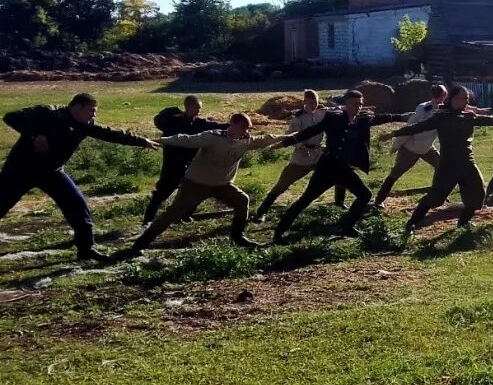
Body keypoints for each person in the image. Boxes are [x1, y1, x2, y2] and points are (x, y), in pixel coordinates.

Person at [0, 93, 160, 262]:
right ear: (77, 107)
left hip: (52, 172)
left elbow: (109, 133)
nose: (94, 114)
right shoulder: (47, 112)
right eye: (91, 110)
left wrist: (142, 141)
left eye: (95, 111)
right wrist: (36, 134)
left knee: (77, 204)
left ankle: (86, 249)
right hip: (21, 170)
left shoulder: (85, 124)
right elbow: (10, 117)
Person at [128, 113, 288, 254]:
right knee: (172, 213)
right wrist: (159, 140)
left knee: (242, 200)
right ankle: (140, 245)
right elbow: (186, 140)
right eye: (243, 127)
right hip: (196, 184)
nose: (246, 132)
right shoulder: (213, 137)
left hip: (222, 185)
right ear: (232, 124)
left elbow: (269, 138)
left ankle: (237, 237)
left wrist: (296, 137)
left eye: (248, 129)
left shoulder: (246, 142)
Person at [272, 90, 407, 242]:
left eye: (360, 104)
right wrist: (286, 142)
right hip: (327, 167)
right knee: (305, 200)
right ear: (346, 104)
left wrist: (403, 117)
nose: (357, 107)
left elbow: (382, 118)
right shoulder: (334, 118)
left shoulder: (363, 119)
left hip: (344, 169)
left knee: (365, 195)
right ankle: (278, 233)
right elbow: (312, 131)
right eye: (354, 104)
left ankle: (347, 227)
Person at [393, 86, 493, 232]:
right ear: (453, 99)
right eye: (464, 98)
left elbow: (488, 120)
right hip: (448, 165)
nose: (467, 101)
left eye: (468, 98)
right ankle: (411, 223)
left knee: (478, 193)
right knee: (435, 198)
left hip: (467, 162)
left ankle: (463, 223)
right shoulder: (441, 116)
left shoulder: (468, 115)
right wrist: (396, 133)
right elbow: (419, 127)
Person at [143, 96, 228, 226]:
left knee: (196, 191)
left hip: (191, 164)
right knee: (162, 193)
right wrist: (174, 110)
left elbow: (218, 127)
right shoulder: (172, 121)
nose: (199, 110)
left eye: (200, 107)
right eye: (197, 107)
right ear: (188, 107)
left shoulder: (200, 123)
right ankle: (148, 220)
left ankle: (184, 215)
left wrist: (235, 126)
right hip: (172, 164)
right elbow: (158, 119)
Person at [253, 90, 327, 222]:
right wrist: (301, 147)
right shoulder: (298, 118)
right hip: (302, 158)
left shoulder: (322, 114)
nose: (313, 105)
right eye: (310, 102)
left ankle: (339, 203)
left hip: (319, 154)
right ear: (304, 102)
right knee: (282, 185)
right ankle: (261, 212)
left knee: (339, 172)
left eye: (315, 102)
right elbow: (290, 136)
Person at [373, 84, 448, 207]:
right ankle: (379, 200)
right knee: (395, 174)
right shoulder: (424, 109)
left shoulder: (443, 108)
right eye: (444, 94)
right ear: (442, 95)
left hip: (427, 147)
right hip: (411, 148)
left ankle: (434, 196)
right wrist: (397, 145)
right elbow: (410, 127)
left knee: (442, 168)